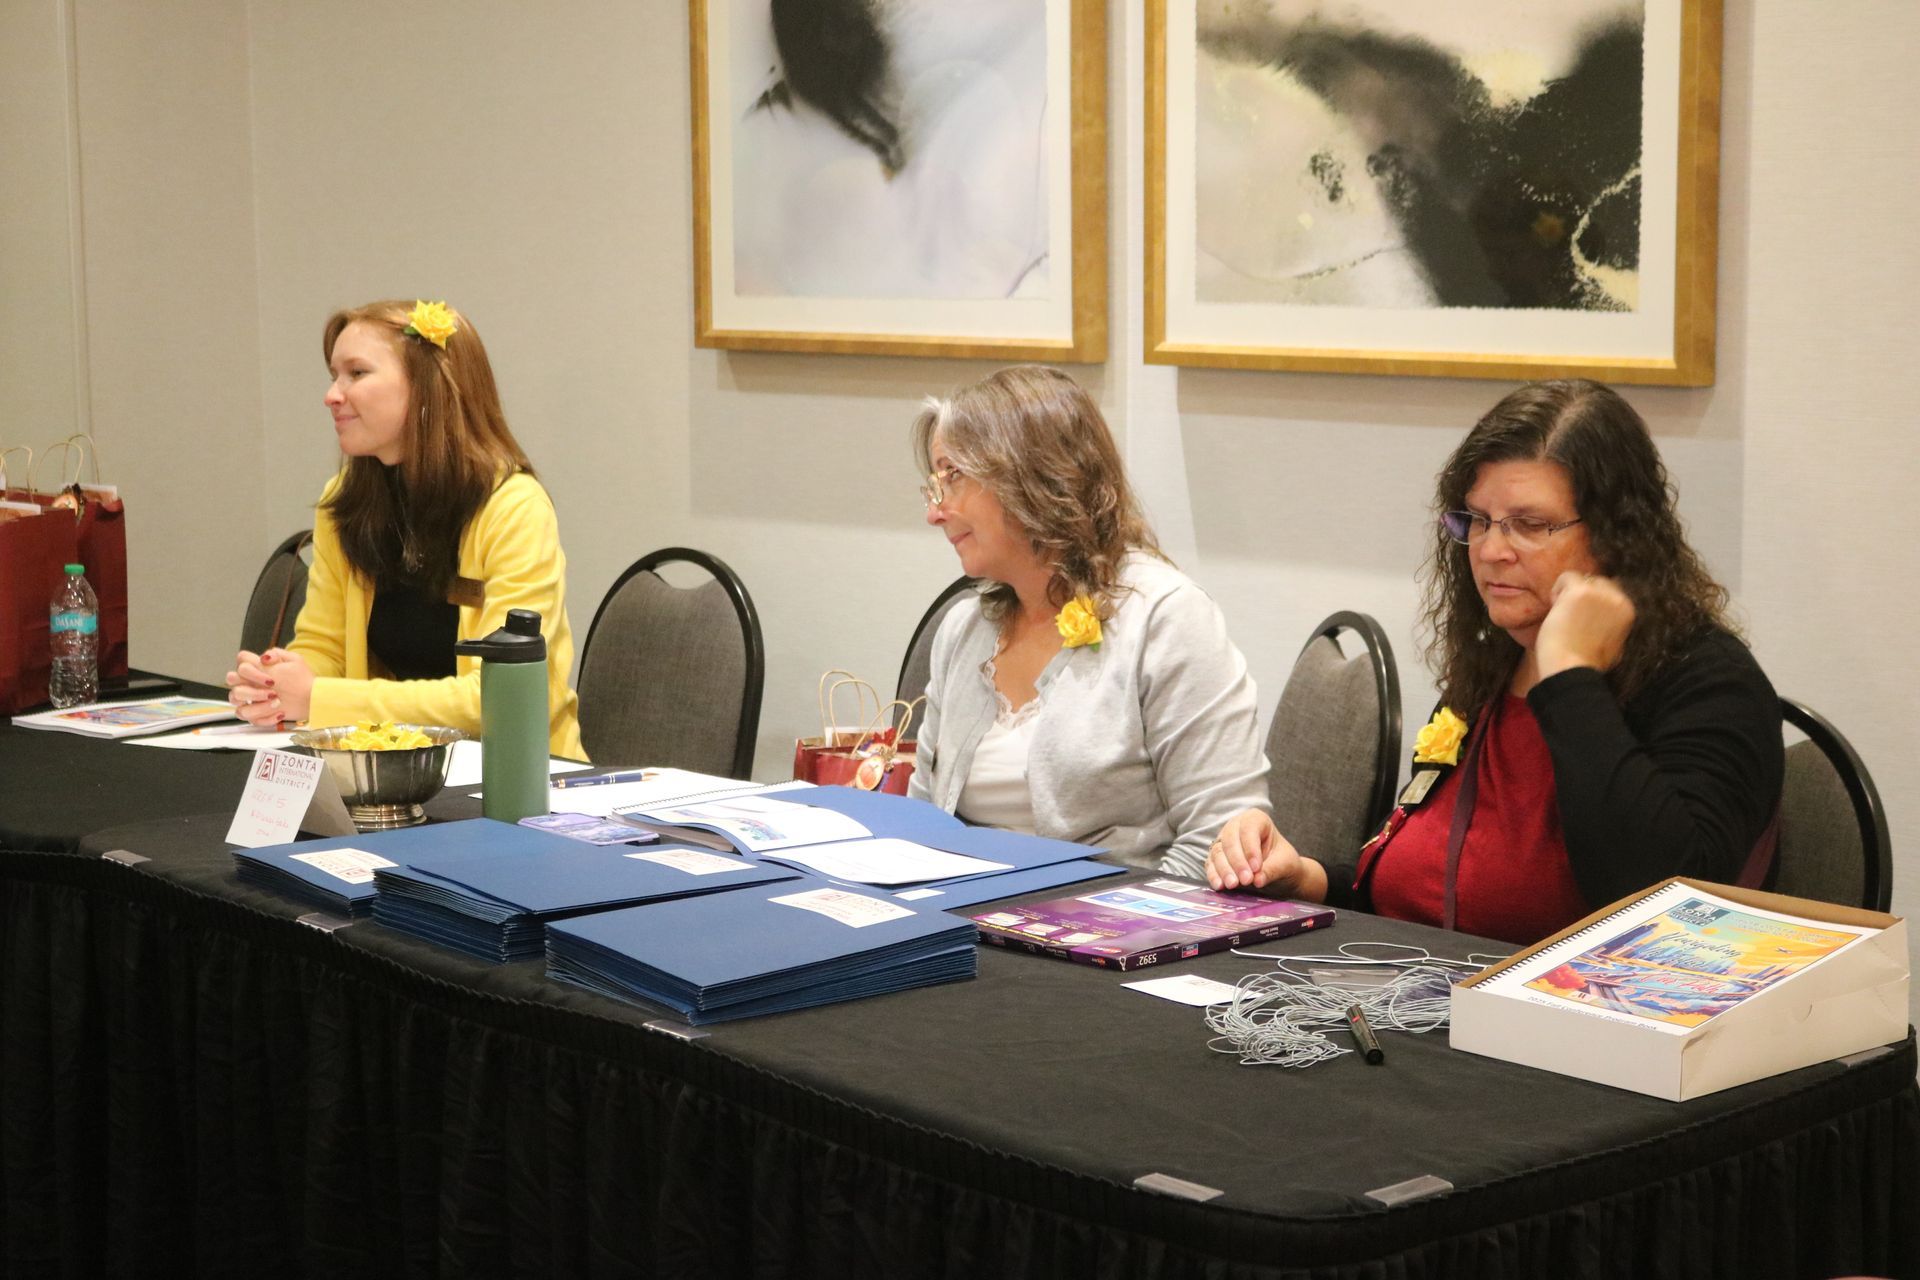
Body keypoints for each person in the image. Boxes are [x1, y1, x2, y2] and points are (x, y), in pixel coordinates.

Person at [1206, 379, 1782, 945]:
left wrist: (1572, 677)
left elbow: (1662, 903)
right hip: (1421, 988)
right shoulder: (1495, 664)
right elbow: (1426, 882)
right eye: (1478, 520)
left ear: (1614, 533)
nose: (1489, 550)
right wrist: (1304, 879)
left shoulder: (1705, 679)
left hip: (1581, 1017)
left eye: (1529, 525)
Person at [908, 365, 1268, 876]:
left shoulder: (1164, 617)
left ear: (1029, 476)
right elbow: (922, 828)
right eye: (933, 484)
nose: (935, 512)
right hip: (967, 920)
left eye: (954, 476)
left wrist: (1101, 932)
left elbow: (1221, 839)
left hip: (1119, 937)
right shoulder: (964, 630)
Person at [225, 299, 584, 758]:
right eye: (334, 375)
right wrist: (278, 682)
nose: (332, 395)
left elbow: (502, 696)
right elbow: (324, 646)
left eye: (356, 373)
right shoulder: (346, 501)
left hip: (516, 777)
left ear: (427, 388)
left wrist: (319, 698)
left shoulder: (513, 507)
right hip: (388, 768)